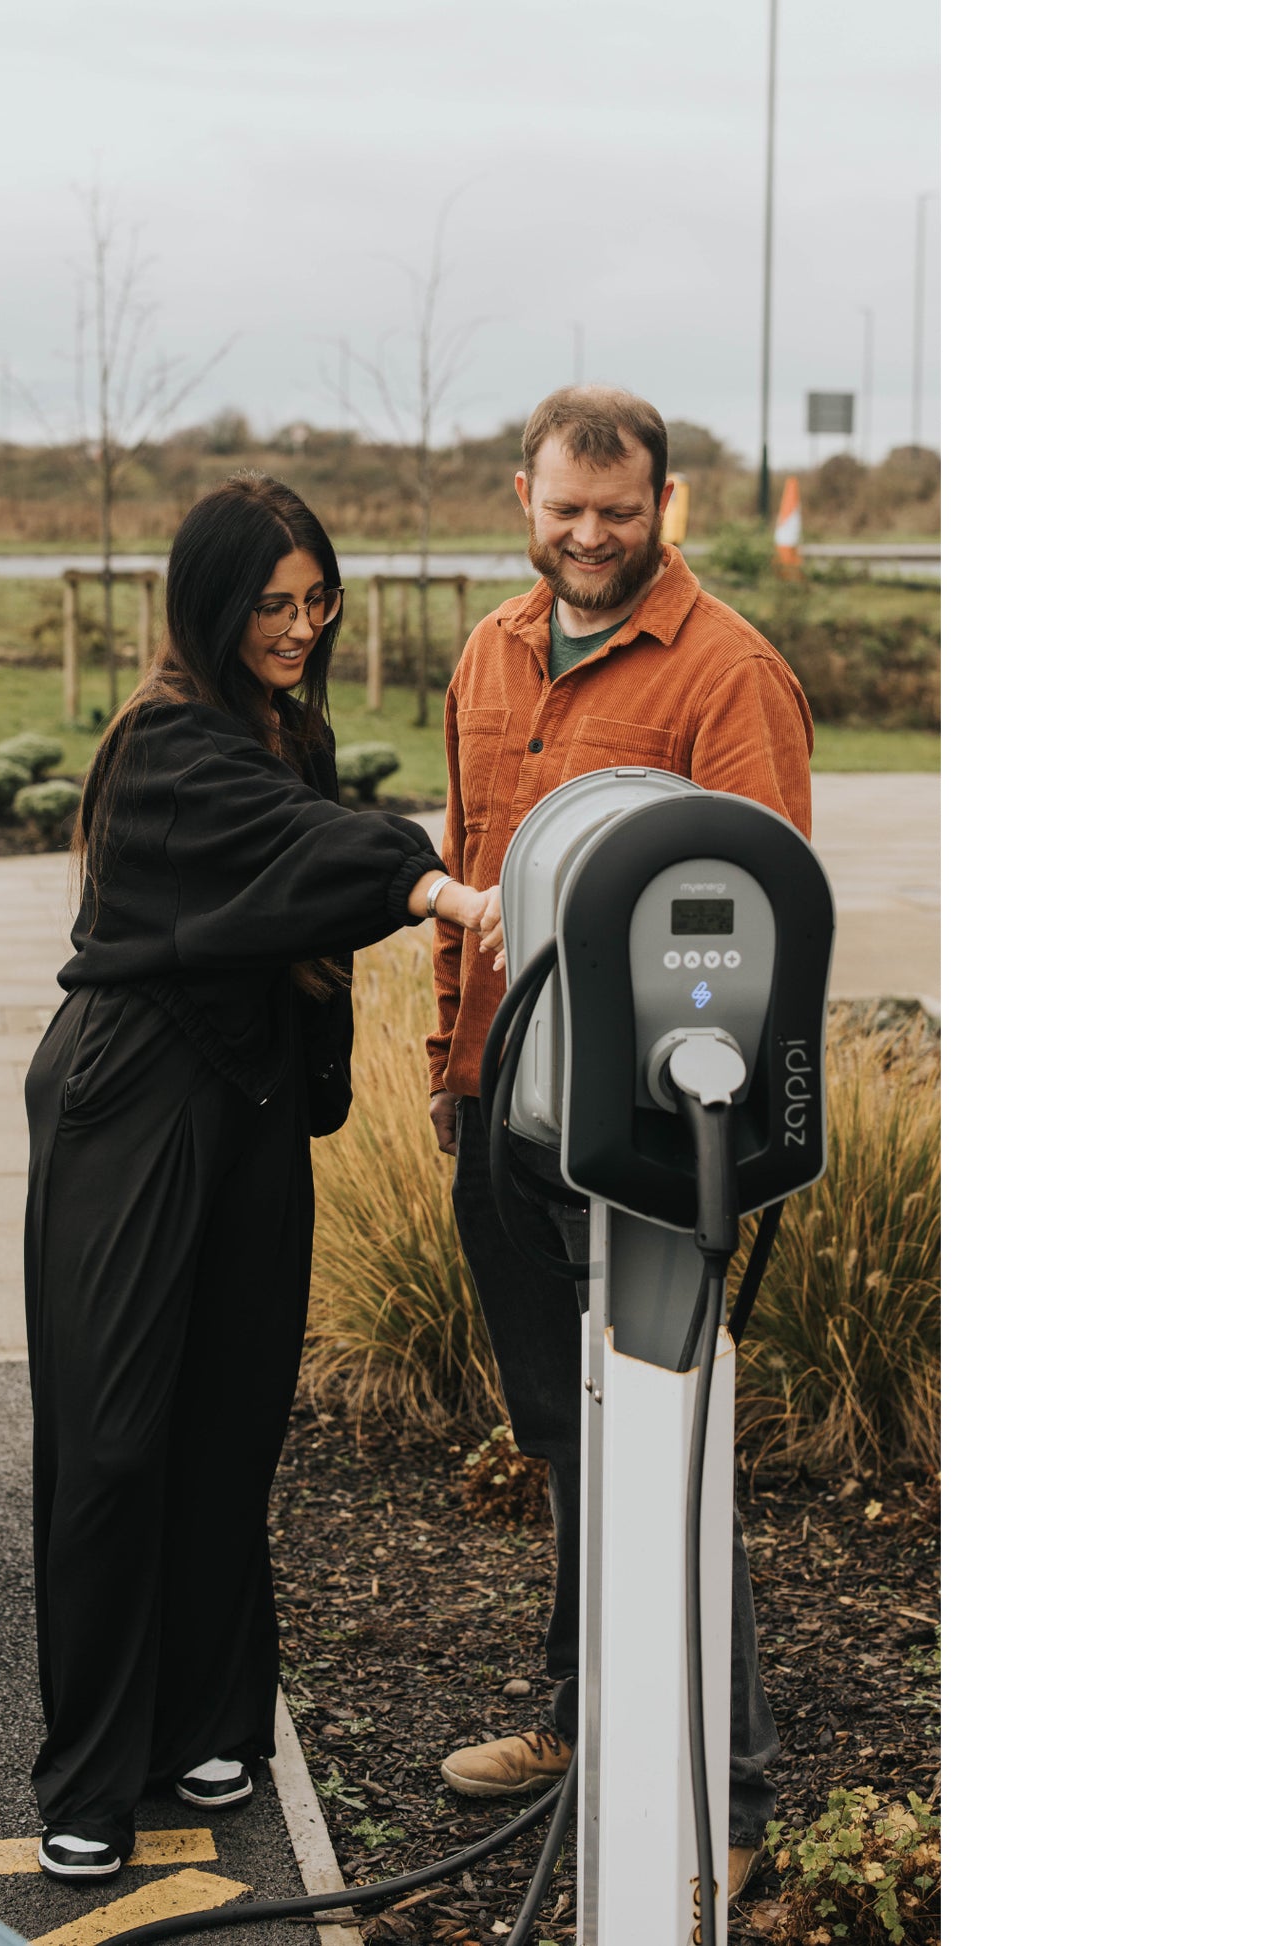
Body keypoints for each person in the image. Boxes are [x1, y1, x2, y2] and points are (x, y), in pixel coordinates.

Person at [24, 473, 502, 1883]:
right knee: (114, 1439)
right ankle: (91, 1769)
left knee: (230, 1420)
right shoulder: (168, 748)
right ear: (208, 606)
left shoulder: (283, 728)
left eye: (315, 600)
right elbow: (301, 850)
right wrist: (429, 884)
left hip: (239, 1105)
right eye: (269, 604)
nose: (295, 627)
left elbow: (293, 870)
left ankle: (207, 1716)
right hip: (134, 1098)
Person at [425, 387, 813, 1902]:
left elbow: (761, 922)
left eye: (618, 508)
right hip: (498, 1115)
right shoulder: (491, 647)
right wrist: (445, 1065)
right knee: (564, 1429)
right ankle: (588, 1721)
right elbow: (471, 862)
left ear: (664, 503)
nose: (589, 537)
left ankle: (728, 1786)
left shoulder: (729, 672)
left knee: (664, 1440)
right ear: (523, 494)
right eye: (563, 508)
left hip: (644, 1147)